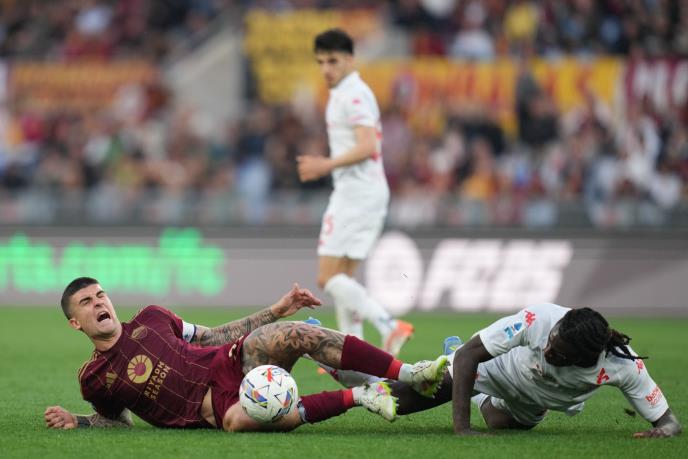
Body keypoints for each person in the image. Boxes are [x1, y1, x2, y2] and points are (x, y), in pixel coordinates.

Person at [44, 277, 448, 432]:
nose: (99, 303)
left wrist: (276, 311)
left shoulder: (152, 317)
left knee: (291, 333)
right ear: (75, 322)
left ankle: (410, 372)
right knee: (242, 419)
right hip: (216, 408)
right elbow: (117, 421)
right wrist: (79, 421)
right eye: (86, 302)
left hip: (227, 362)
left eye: (101, 295)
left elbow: (213, 336)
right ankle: (361, 395)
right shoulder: (94, 378)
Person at [323, 303, 682, 438]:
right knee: (399, 401)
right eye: (550, 341)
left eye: (558, 353)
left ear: (583, 358)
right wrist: (462, 428)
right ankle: (328, 355)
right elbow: (469, 355)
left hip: (536, 400)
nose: (548, 350)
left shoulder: (623, 366)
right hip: (492, 367)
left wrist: (663, 431)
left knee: (498, 421)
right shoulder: (539, 319)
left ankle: (471, 388)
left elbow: (668, 421)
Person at [297, 28, 413, 356]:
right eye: (321, 62)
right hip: (364, 191)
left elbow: (369, 145)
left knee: (327, 277)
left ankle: (389, 325)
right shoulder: (344, 94)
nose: (326, 69)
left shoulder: (354, 94)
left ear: (350, 59)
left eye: (332, 61)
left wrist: (325, 165)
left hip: (356, 194)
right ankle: (355, 356)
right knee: (343, 278)